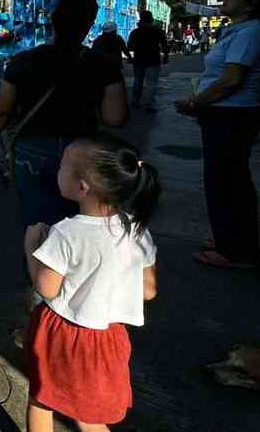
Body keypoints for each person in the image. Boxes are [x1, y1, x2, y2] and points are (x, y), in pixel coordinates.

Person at [23, 135, 160, 432]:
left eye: (62, 166)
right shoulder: (138, 230)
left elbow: (47, 288)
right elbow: (148, 290)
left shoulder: (66, 233)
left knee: (42, 398)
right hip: (110, 339)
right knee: (89, 415)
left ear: (82, 187)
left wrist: (31, 246)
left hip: (61, 334)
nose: (57, 170)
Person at [0, 0, 129, 233]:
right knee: (76, 224)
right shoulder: (103, 65)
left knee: (36, 224)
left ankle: (37, 267)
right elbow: (115, 118)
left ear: (52, 21)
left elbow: (2, 113)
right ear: (89, 25)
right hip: (81, 151)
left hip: (31, 150)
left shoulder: (22, 61)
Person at [176, 0, 260, 270]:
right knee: (228, 182)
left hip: (229, 116)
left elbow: (231, 80)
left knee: (226, 184)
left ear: (252, 4)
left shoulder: (249, 33)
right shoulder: (242, 30)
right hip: (227, 115)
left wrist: (195, 103)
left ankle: (237, 252)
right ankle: (230, 239)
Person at [127, 11, 169, 112]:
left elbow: (129, 46)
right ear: (151, 19)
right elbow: (164, 45)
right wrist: (166, 56)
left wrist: (132, 54)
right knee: (151, 83)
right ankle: (148, 104)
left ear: (140, 19)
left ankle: (135, 101)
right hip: (153, 60)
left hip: (138, 60)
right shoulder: (158, 31)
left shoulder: (135, 32)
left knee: (138, 81)